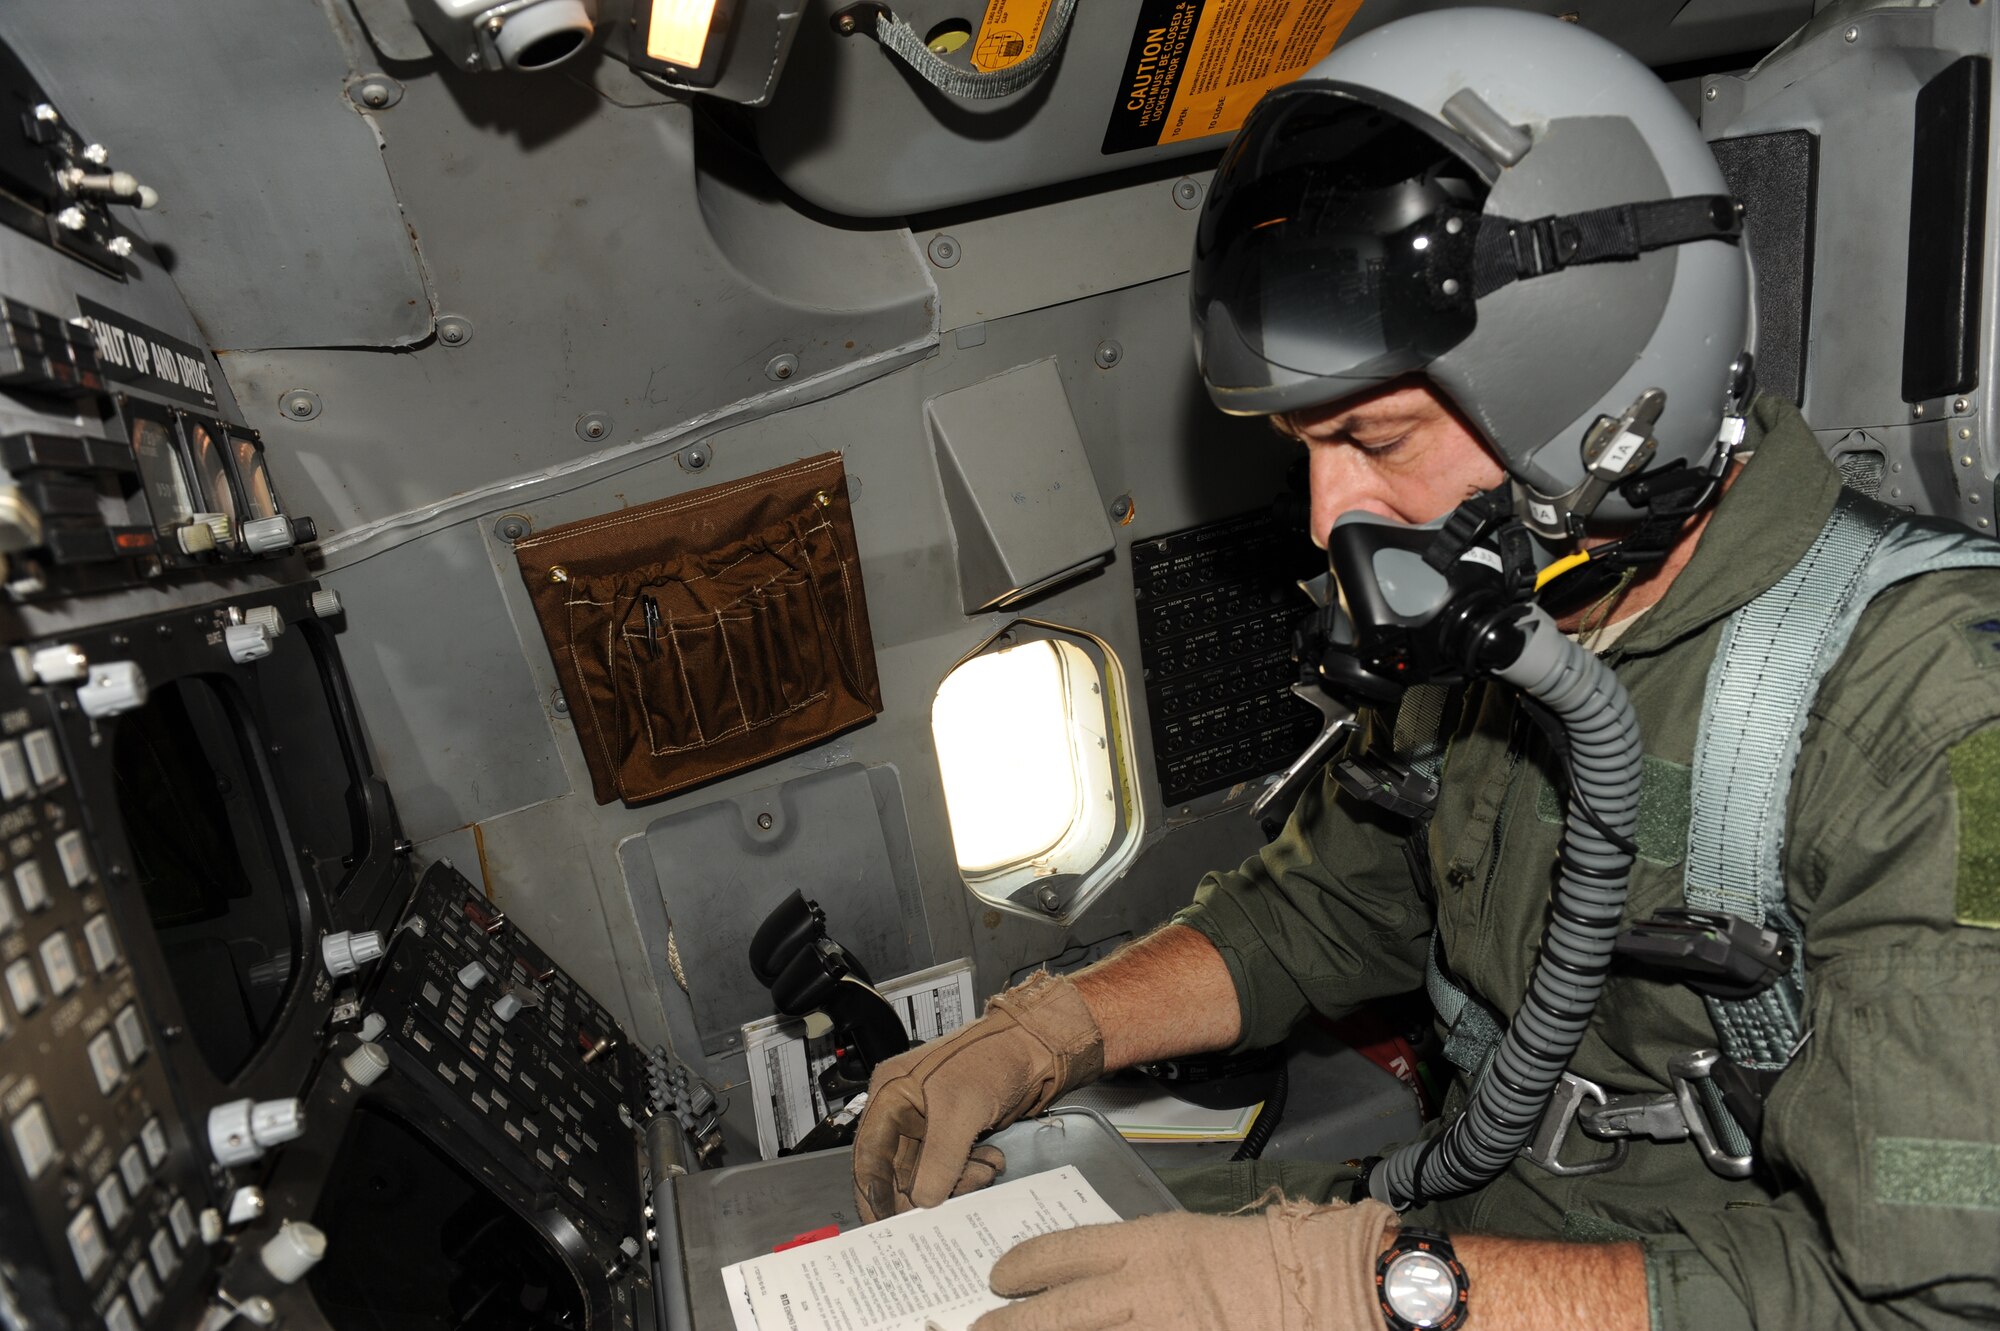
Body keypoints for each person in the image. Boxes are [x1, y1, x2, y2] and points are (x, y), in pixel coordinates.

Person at [853, 10, 2000, 1331]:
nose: (1329, 516)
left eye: (1373, 437)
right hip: (1470, 1243)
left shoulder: (1943, 721)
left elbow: (1933, 1313)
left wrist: (1363, 1292)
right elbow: (1325, 913)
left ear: (1614, 399)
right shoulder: (1492, 619)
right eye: (1305, 450)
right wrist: (1049, 1035)